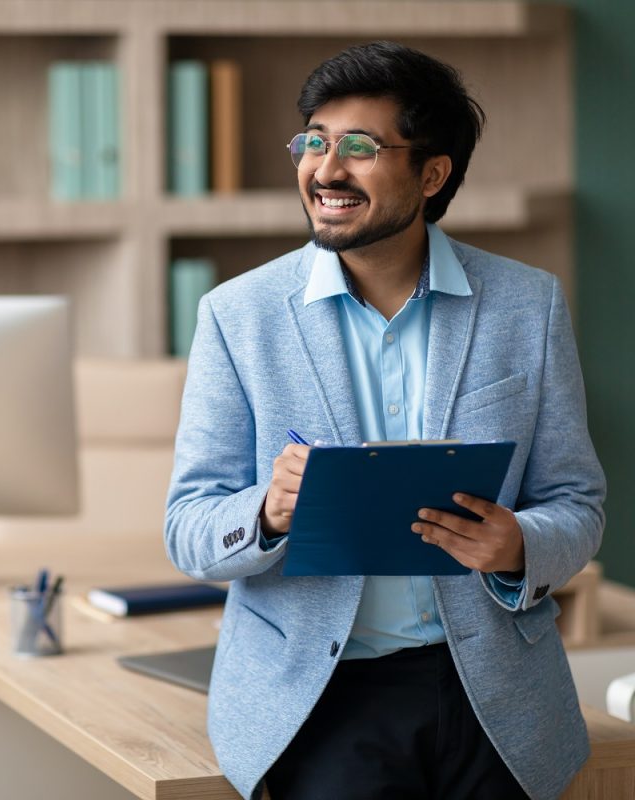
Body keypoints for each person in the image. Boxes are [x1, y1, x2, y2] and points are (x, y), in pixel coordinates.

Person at [164, 41, 605, 800]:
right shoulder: (237, 317)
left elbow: (578, 503)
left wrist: (519, 546)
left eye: (360, 148)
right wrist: (266, 513)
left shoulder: (528, 306)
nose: (326, 170)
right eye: (314, 142)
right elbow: (188, 528)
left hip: (497, 698)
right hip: (322, 699)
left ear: (432, 174)